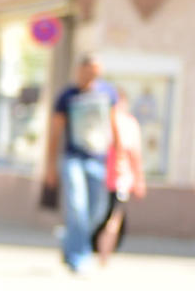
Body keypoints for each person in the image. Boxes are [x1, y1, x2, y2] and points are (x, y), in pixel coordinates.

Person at [43, 54, 119, 274]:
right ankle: (78, 257)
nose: (93, 74)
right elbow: (55, 133)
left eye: (97, 70)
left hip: (99, 159)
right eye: (89, 69)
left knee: (96, 211)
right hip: (73, 158)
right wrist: (50, 166)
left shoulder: (107, 93)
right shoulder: (67, 96)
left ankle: (69, 238)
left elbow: (114, 127)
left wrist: (119, 158)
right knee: (77, 206)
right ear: (80, 70)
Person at [92, 92, 146, 264]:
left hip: (110, 178)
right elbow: (134, 154)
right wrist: (139, 179)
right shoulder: (125, 123)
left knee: (108, 216)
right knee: (113, 219)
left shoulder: (107, 122)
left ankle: (100, 252)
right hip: (117, 179)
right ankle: (103, 255)